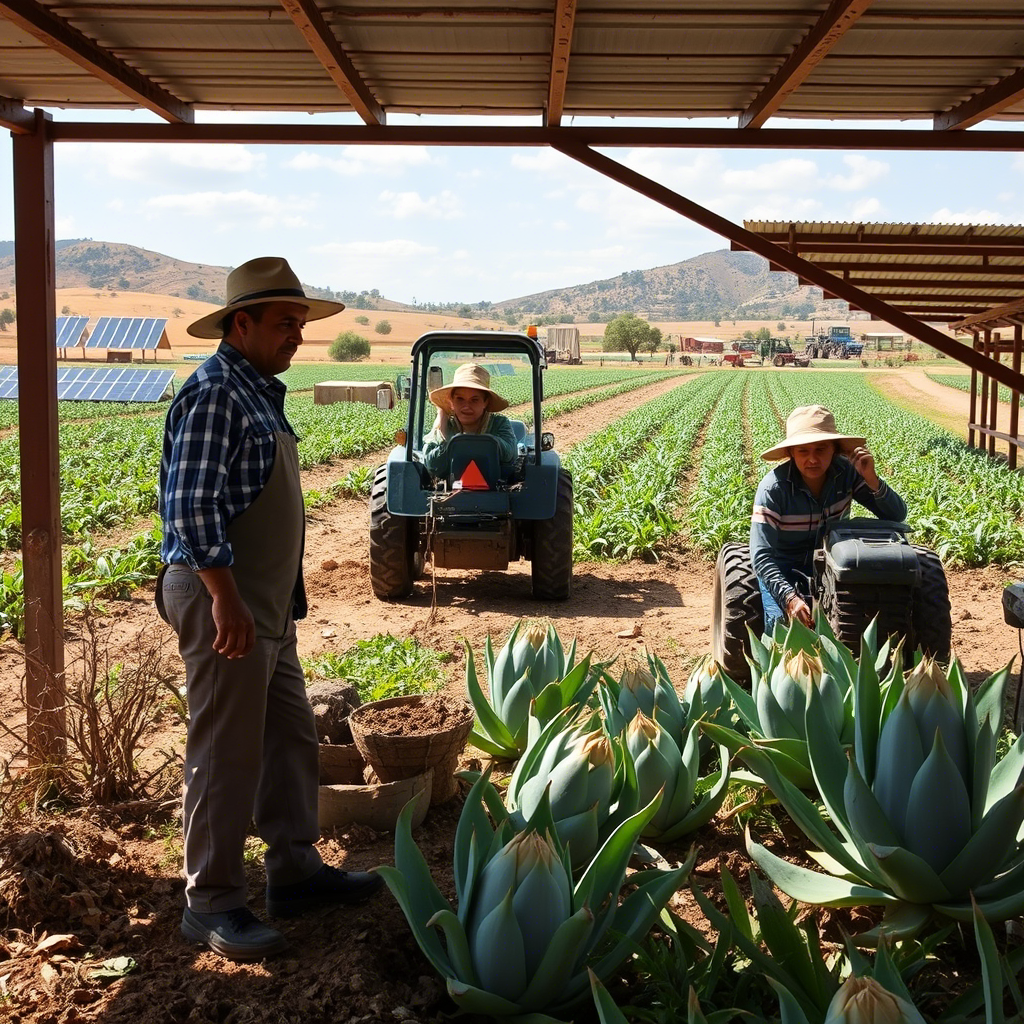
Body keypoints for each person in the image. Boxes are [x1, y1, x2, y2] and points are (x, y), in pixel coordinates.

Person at [158, 256, 382, 962]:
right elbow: (192, 510)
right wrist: (226, 601)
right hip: (225, 600)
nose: (298, 336)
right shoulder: (217, 392)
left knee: (289, 738)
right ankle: (213, 901)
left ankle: (294, 870)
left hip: (261, 607)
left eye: (300, 324)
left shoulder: (259, 390)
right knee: (226, 752)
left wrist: (268, 603)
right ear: (241, 324)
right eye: (286, 324)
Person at [750, 404, 907, 635]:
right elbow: (761, 555)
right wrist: (789, 598)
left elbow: (896, 515)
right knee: (782, 631)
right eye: (803, 451)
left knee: (861, 627)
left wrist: (872, 480)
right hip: (783, 568)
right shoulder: (773, 489)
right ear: (791, 453)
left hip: (833, 566)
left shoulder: (847, 474)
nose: (812, 459)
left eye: (821, 449)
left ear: (834, 449)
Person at [421, 363, 518, 478]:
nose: (466, 406)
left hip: (495, 492)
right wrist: (446, 437)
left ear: (485, 402)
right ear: (451, 402)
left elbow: (509, 454)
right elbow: (432, 465)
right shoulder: (444, 427)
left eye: (474, 400)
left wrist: (472, 443)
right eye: (460, 399)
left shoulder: (499, 423)